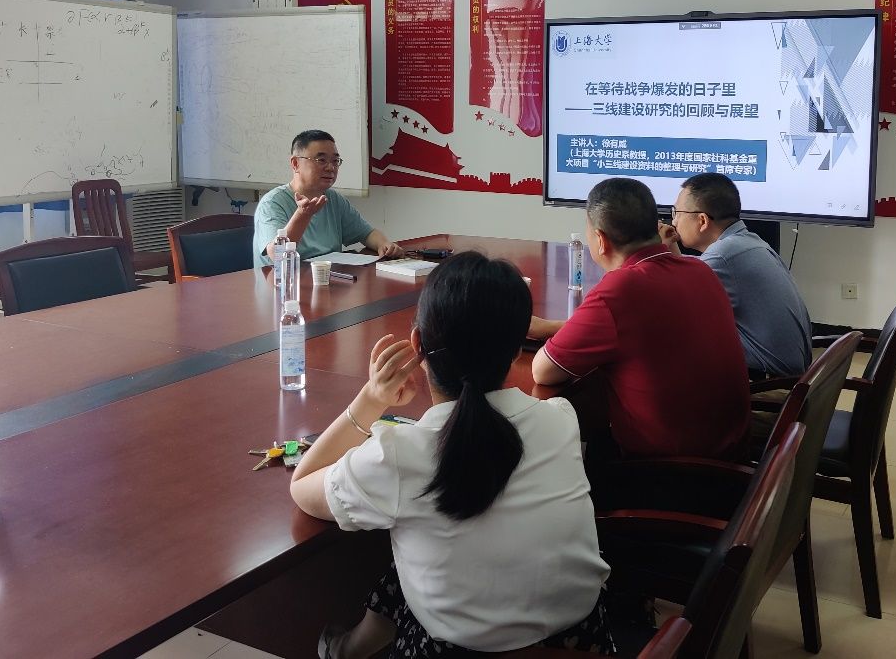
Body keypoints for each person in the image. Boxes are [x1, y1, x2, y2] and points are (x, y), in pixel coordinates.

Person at [289, 252, 614, 658]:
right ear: (517, 350)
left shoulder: (398, 456)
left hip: (456, 651)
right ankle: (353, 647)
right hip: (584, 643)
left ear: (417, 345)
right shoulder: (560, 419)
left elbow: (302, 485)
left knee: (423, 542)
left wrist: (370, 400)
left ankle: (347, 650)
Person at [529, 177, 750, 461]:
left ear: (600, 240)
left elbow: (543, 371)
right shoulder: (699, 271)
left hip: (673, 472)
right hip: (733, 458)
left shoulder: (620, 290)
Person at [661, 173, 813, 378]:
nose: (674, 221)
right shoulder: (746, 242)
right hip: (791, 372)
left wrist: (655, 253)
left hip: (766, 381)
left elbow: (675, 304)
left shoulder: (722, 256)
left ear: (702, 220)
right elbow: (694, 272)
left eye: (677, 212)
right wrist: (669, 248)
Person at [253, 129, 401, 266]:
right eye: (321, 160)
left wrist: (384, 244)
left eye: (335, 161)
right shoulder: (272, 203)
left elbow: (366, 233)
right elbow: (278, 255)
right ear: (295, 163)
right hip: (285, 281)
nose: (331, 167)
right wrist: (303, 214)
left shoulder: (334, 199)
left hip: (326, 277)